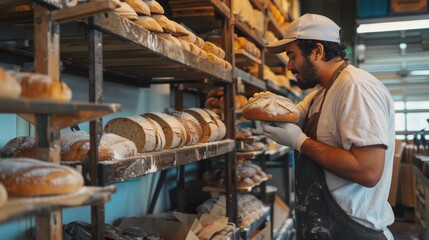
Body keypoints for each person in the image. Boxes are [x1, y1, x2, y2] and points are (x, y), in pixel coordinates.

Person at [262, 13, 395, 239]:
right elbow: (294, 114)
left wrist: (300, 141)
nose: (289, 66)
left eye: (292, 56)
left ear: (318, 51)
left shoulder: (355, 88)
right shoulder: (320, 95)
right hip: (327, 228)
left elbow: (368, 170)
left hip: (354, 231)